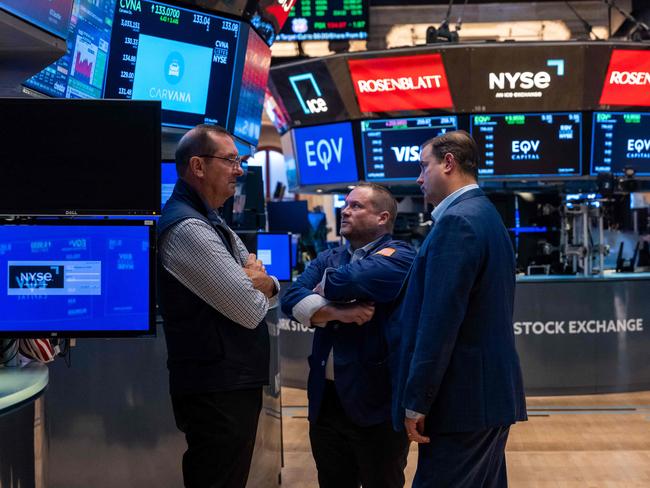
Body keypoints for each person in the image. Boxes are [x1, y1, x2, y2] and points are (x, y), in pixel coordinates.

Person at [389, 131, 527, 487]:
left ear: (448, 163)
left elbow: (439, 323)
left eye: (424, 167)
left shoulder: (457, 223)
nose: (419, 178)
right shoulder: (486, 214)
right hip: (487, 398)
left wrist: (416, 401)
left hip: (462, 402)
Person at [157, 124, 279, 488]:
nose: (240, 171)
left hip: (229, 383)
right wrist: (257, 283)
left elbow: (266, 284)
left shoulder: (211, 219)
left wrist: (264, 281)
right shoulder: (188, 227)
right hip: (215, 389)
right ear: (198, 166)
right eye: (231, 161)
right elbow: (250, 307)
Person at [281, 183, 415, 488]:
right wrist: (338, 313)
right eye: (346, 204)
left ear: (382, 218)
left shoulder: (401, 256)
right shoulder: (330, 256)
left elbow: (349, 280)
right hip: (325, 404)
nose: (345, 210)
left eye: (356, 206)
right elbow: (290, 300)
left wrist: (320, 294)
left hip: (375, 404)